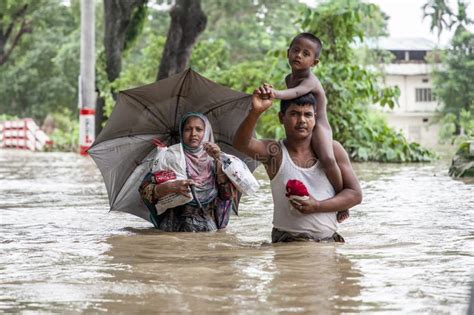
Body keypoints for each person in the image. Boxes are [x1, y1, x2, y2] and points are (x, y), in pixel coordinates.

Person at [233, 92, 362, 243]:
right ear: (282, 118)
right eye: (294, 114)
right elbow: (241, 144)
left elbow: (355, 195)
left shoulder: (333, 150)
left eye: (307, 114)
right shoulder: (275, 153)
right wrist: (255, 112)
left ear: (315, 118)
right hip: (288, 242)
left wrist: (317, 206)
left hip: (329, 242)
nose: (302, 120)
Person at [256, 32, 349, 223]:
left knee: (327, 158)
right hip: (303, 122)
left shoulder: (310, 80)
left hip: (319, 124)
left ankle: (341, 201)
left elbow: (296, 92)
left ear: (314, 62)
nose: (299, 55)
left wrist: (274, 93)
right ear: (288, 53)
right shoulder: (289, 77)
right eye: (296, 50)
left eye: (306, 54)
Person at [139, 112, 237, 232]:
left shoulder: (215, 159)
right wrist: (170, 187)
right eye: (188, 129)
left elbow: (227, 196)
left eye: (199, 129)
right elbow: (144, 191)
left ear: (206, 133)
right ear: (181, 132)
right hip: (172, 226)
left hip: (207, 227)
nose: (193, 134)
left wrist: (219, 161)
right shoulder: (170, 157)